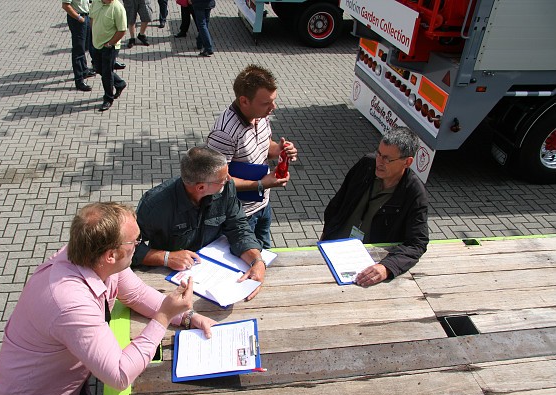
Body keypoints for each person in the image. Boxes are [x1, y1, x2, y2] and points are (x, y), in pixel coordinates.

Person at [0, 202, 216, 395]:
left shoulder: (92, 256)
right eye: (135, 242)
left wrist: (190, 317)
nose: (139, 245)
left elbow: (135, 294)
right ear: (111, 255)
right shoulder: (70, 303)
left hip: (68, 388)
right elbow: (119, 374)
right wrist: (163, 318)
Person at [132, 146, 267, 300]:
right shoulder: (155, 204)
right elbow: (126, 247)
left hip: (215, 277)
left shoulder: (226, 189)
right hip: (169, 283)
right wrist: (166, 257)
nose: (229, 179)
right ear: (201, 187)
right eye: (223, 179)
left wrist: (257, 260)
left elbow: (238, 226)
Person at [320, 126, 429, 287]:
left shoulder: (414, 192)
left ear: (407, 162)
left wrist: (387, 267)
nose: (379, 162)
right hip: (333, 249)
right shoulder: (366, 165)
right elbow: (338, 202)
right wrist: (326, 234)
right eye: (379, 153)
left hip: (368, 265)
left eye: (387, 159)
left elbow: (417, 243)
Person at [207, 64, 298, 249]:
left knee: (264, 255)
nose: (273, 107)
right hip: (240, 216)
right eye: (266, 103)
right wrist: (262, 184)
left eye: (273, 100)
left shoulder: (261, 115)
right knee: (247, 263)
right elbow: (217, 181)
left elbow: (266, 147)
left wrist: (280, 150)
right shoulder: (224, 132)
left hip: (263, 206)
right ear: (244, 101)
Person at [91, 0, 128, 112]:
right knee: (99, 68)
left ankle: (108, 98)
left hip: (109, 47)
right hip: (96, 44)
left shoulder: (117, 8)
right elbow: (92, 19)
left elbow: (122, 30)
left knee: (106, 73)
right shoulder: (96, 2)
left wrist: (110, 43)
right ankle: (120, 83)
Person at [62, 0, 97, 92]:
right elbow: (65, 5)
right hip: (77, 19)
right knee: (78, 49)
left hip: (86, 16)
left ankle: (84, 70)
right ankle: (79, 80)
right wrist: (78, 17)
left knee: (86, 45)